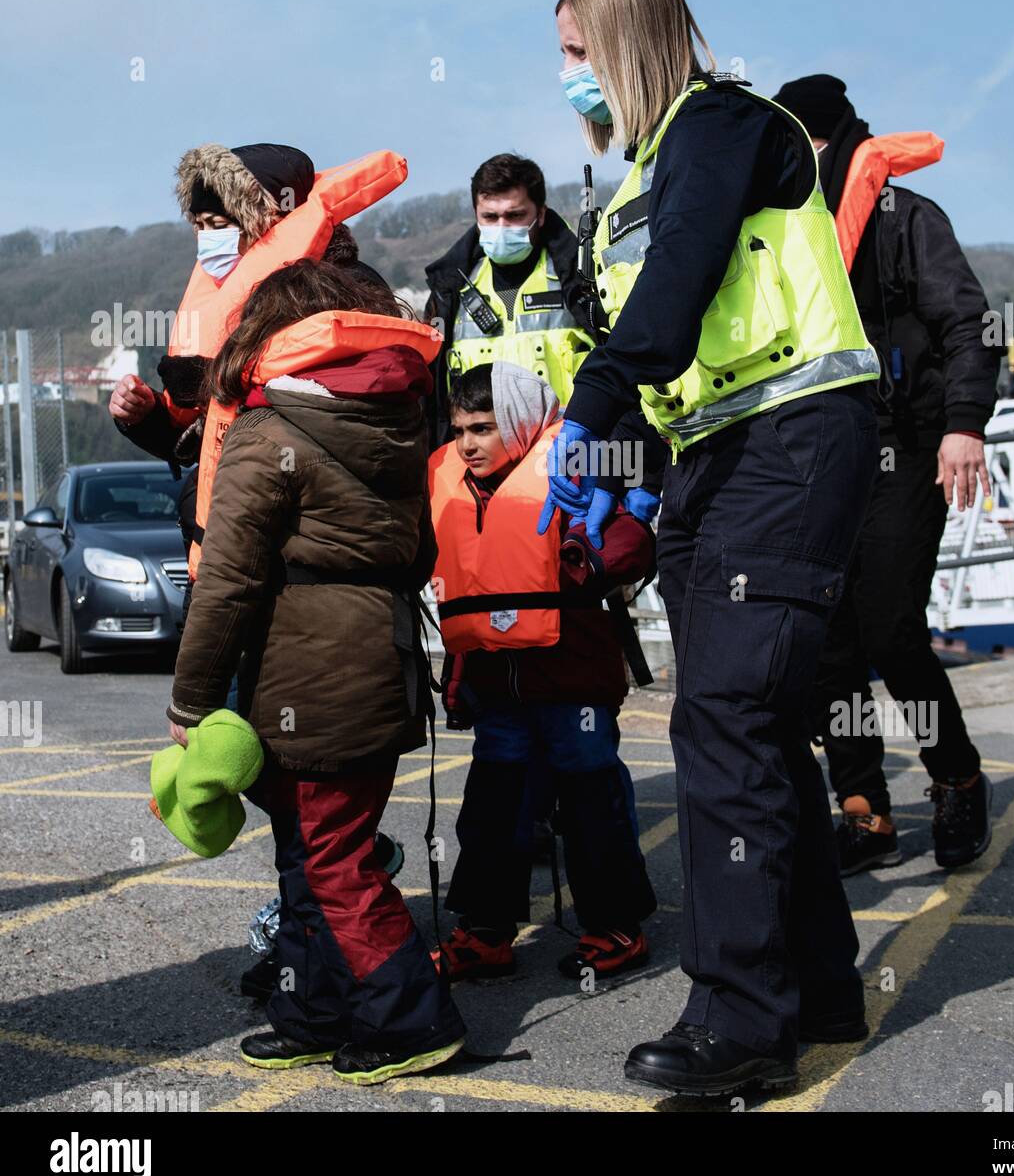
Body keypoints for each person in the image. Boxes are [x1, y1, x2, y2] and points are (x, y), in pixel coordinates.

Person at [542, 0, 881, 1096]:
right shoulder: (639, 172)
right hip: (714, 454)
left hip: (790, 440)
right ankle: (820, 987)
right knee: (763, 729)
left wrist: (580, 421)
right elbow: (669, 364)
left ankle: (738, 1017)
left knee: (724, 722)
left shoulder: (722, 126)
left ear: (630, 41)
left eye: (578, 53)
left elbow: (677, 288)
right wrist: (620, 474)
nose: (568, 78)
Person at [164, 257, 465, 1085]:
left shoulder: (268, 431)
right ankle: (313, 1009)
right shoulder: (403, 419)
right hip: (382, 654)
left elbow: (225, 581)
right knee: (315, 848)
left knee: (330, 857)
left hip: (305, 665)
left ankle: (412, 1021)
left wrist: (190, 701)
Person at [773, 74, 999, 875]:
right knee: (828, 640)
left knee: (891, 627)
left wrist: (963, 426)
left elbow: (968, 327)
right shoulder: (786, 232)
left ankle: (955, 777)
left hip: (905, 441)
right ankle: (862, 809)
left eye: (807, 146)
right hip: (818, 454)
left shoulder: (909, 220)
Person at [430, 362, 657, 981]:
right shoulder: (444, 478)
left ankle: (616, 928)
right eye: (458, 431)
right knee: (493, 809)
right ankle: (484, 933)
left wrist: (593, 556)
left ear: (522, 423)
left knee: (590, 804)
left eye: (484, 428)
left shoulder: (578, 460)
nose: (467, 444)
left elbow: (635, 533)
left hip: (572, 679)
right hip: (495, 681)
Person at [109, 141, 405, 569]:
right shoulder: (219, 292)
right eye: (199, 225)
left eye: (218, 224)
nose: (206, 239)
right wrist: (145, 414)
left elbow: (366, 419)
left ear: (269, 222)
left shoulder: (346, 288)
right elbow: (195, 440)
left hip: (306, 538)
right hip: (225, 533)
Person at [423, 151, 664, 526]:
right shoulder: (447, 294)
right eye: (490, 217)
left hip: (575, 479)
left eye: (515, 215)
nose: (502, 226)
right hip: (481, 494)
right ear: (475, 215)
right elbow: (435, 404)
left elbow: (628, 378)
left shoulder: (584, 281)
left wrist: (635, 472)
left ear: (541, 213)